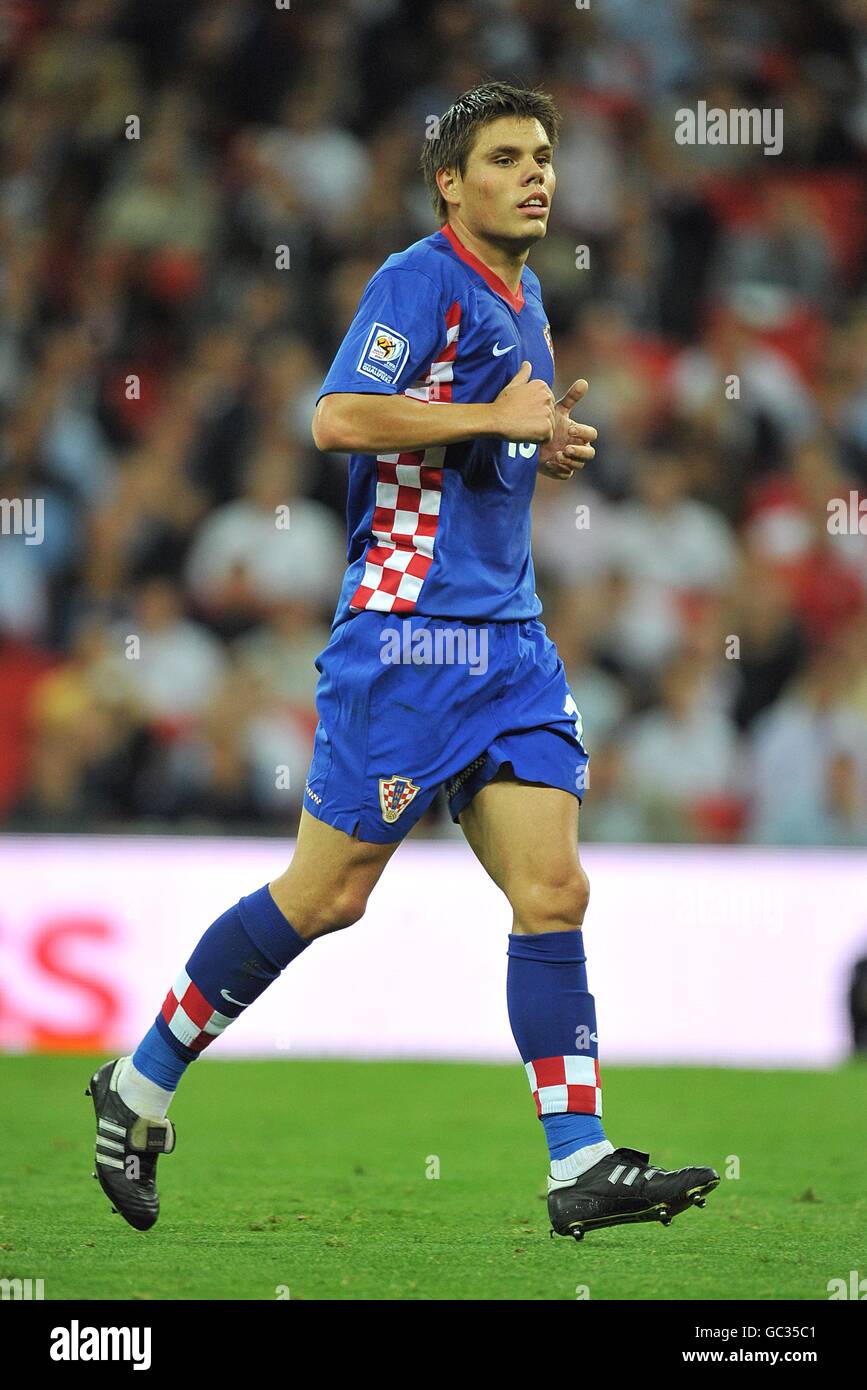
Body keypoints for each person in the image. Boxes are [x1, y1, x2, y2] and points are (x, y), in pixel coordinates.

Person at [86, 82, 718, 1242]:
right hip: (407, 638)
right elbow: (338, 417)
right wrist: (492, 424)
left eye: (544, 156)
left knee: (555, 889)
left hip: (511, 644)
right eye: (509, 158)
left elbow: (489, 443)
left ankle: (579, 1160)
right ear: (451, 182)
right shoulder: (416, 280)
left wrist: (546, 446)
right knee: (328, 894)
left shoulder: (524, 297)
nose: (538, 175)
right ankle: (137, 1081)